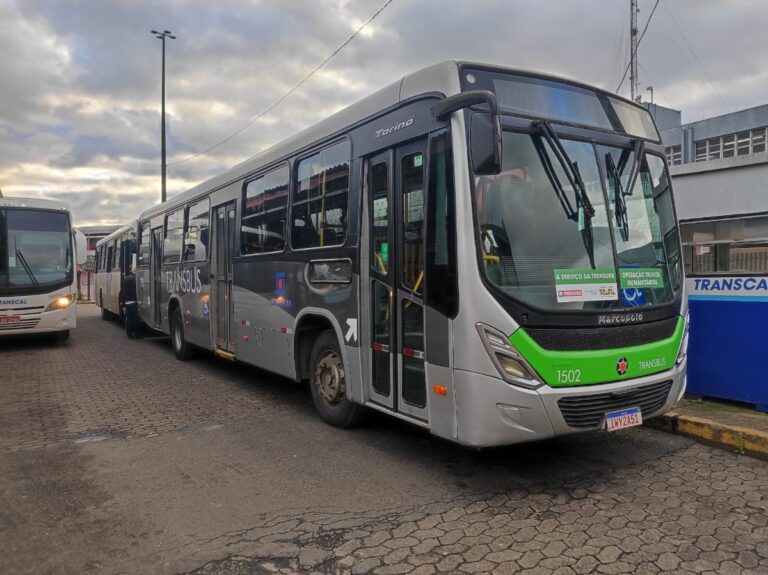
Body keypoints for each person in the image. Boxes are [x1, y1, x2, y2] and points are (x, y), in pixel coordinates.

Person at [120, 268, 140, 339]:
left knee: (128, 319)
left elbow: (122, 291)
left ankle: (129, 335)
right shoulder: (135, 279)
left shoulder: (126, 279)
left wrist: (122, 302)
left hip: (127, 302)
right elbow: (137, 290)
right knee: (135, 319)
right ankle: (137, 334)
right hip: (133, 301)